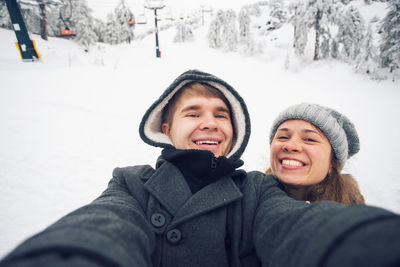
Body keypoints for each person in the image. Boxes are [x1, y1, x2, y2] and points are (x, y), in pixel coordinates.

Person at [0, 69, 399, 267]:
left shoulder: (256, 190)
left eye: (221, 114)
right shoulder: (131, 183)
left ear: (232, 131)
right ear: (168, 129)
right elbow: (102, 227)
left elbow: (296, 227)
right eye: (193, 112)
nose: (210, 122)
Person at [265, 103, 365, 205]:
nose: (290, 146)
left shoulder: (351, 216)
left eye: (309, 139)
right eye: (283, 137)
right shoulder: (251, 198)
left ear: (332, 163)